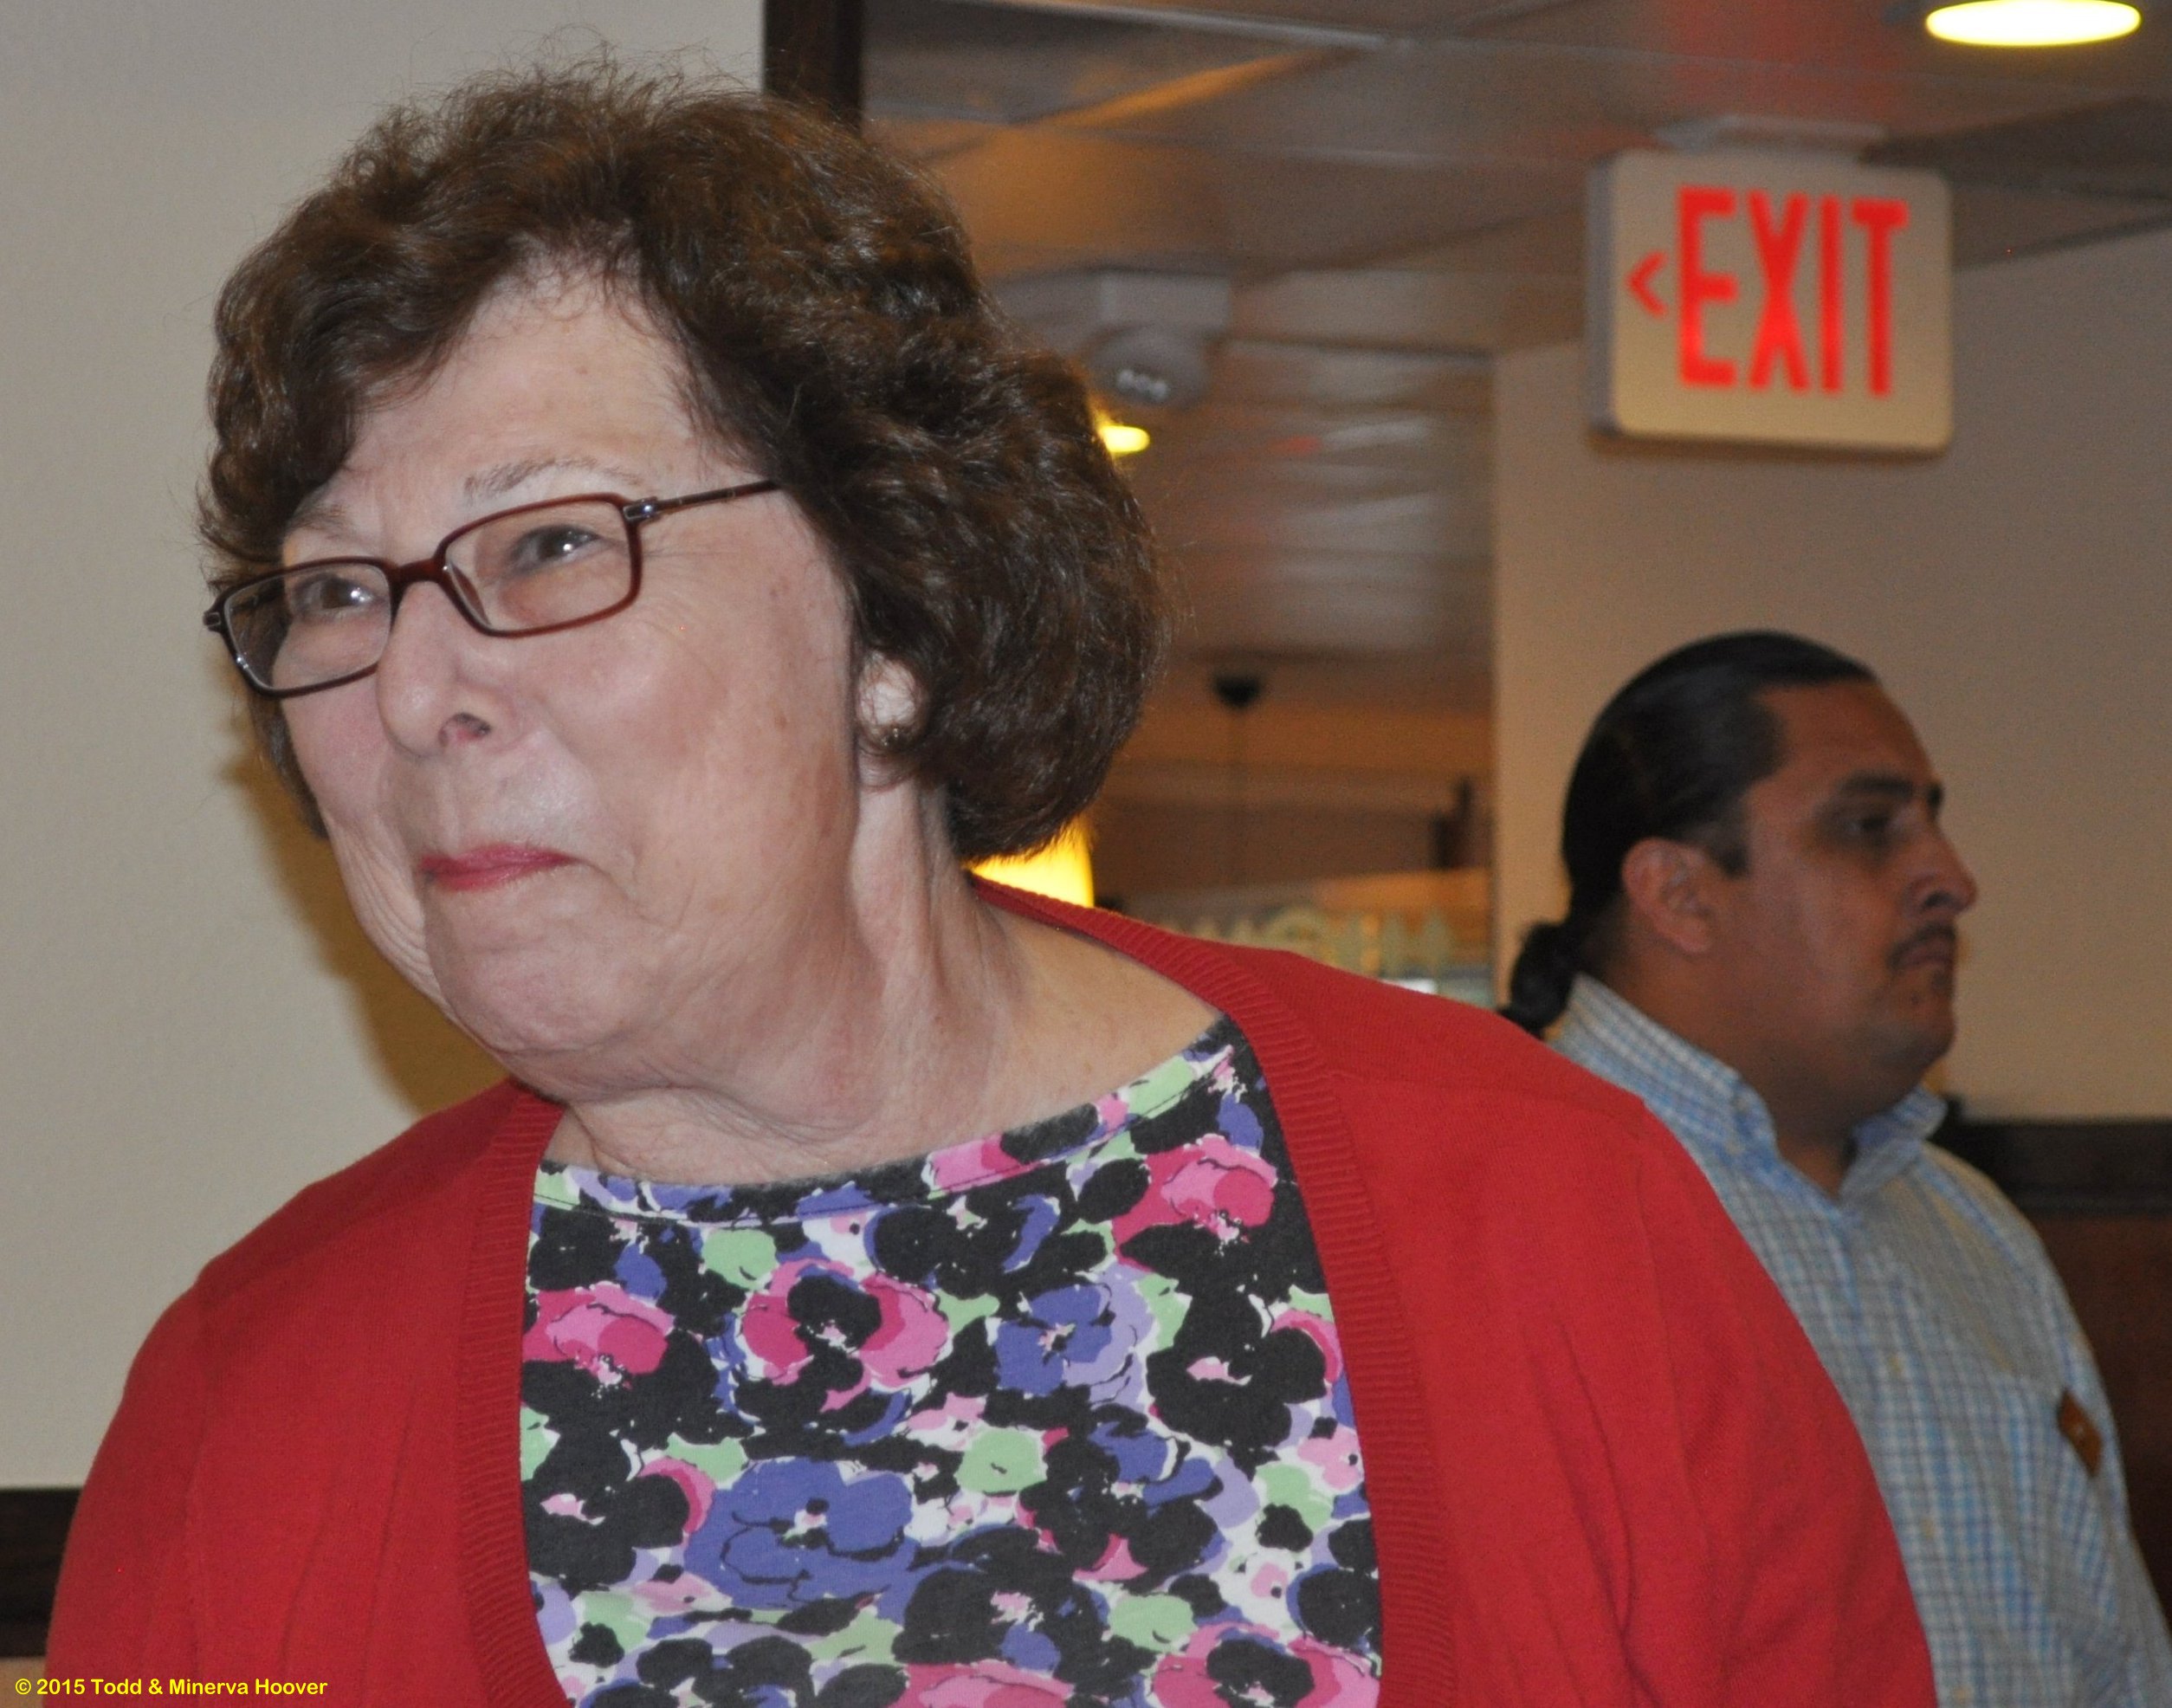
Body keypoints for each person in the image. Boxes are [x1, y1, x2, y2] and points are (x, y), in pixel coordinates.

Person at [49, 66, 1934, 1708]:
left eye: (547, 545)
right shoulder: (252, 1393)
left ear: (899, 617)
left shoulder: (1549, 1212)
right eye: (337, 591)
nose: (409, 689)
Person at [1504, 630, 2172, 1708]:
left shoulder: (1974, 1231)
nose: (1952, 880)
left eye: (1932, 821)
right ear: (1679, 893)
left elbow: (2123, 1667)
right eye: (1869, 828)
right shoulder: (1501, 1206)